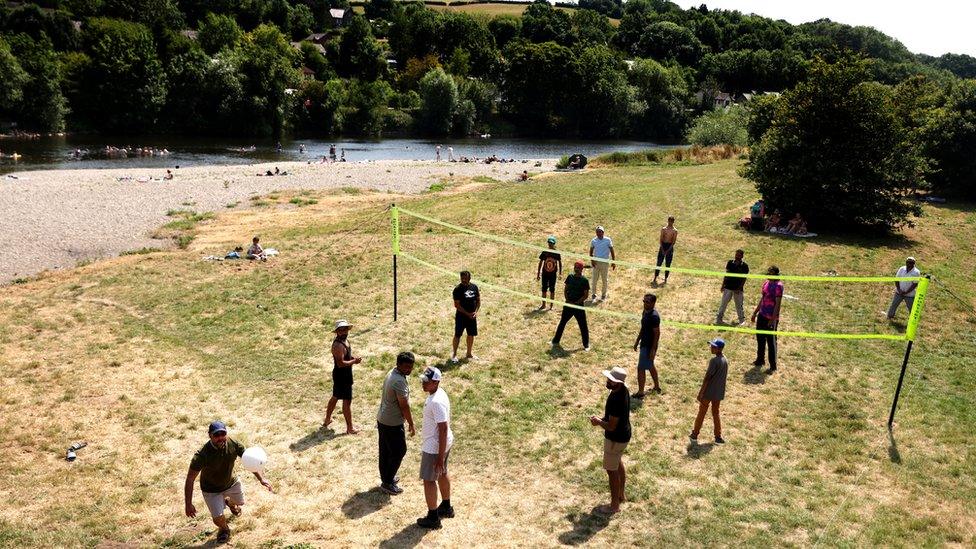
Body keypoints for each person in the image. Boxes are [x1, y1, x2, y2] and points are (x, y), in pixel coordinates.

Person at [184, 421, 274, 544]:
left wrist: (261, 479)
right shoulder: (201, 455)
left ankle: (230, 503)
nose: (220, 437)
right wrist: (188, 504)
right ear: (210, 435)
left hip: (231, 483)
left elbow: (250, 460)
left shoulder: (234, 444)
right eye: (216, 435)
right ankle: (224, 529)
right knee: (217, 518)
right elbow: (190, 479)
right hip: (211, 489)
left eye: (223, 434)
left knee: (240, 502)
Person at [416, 367, 455, 529]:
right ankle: (446, 507)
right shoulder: (439, 393)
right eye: (423, 380)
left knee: (429, 479)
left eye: (427, 381)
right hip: (443, 443)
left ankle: (433, 517)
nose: (423, 384)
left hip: (434, 446)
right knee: (442, 472)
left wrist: (439, 457)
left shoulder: (436, 401)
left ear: (436, 382)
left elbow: (443, 428)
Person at [589, 367, 631, 515]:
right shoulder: (623, 390)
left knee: (611, 470)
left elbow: (612, 426)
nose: (607, 381)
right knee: (617, 462)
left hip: (615, 439)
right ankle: (620, 495)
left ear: (618, 383)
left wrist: (598, 422)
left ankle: (614, 506)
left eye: (611, 380)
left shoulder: (616, 399)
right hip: (624, 435)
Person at [377, 352, 416, 495]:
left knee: (386, 451)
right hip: (392, 423)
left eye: (411, 367)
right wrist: (411, 423)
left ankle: (387, 478)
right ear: (399, 364)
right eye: (406, 367)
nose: (409, 370)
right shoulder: (398, 381)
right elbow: (404, 405)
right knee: (399, 451)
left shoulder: (392, 373)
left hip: (383, 419)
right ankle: (387, 482)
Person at [324, 320, 362, 434]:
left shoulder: (345, 341)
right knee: (346, 400)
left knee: (335, 396)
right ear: (337, 332)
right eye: (341, 330)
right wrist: (354, 361)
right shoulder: (337, 345)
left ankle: (327, 420)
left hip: (344, 375)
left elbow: (347, 356)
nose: (343, 331)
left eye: (345, 329)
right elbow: (340, 363)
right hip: (342, 376)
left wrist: (353, 358)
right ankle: (350, 428)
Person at [690, 339, 728, 444]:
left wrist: (701, 392)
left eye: (714, 347)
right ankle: (718, 436)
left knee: (702, 412)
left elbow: (707, 377)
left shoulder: (714, 361)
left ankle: (694, 434)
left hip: (709, 392)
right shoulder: (725, 360)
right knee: (716, 413)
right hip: (718, 392)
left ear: (719, 349)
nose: (711, 348)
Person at [552, 261, 590, 351]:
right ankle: (555, 341)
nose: (576, 269)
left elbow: (586, 295)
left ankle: (586, 345)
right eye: (575, 267)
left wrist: (577, 303)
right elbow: (566, 289)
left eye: (578, 268)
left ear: (581, 269)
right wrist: (568, 300)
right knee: (562, 323)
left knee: (583, 325)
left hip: (578, 306)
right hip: (568, 305)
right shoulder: (570, 277)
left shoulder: (584, 280)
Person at [751, 266, 783, 373]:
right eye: (768, 272)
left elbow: (777, 304)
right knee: (760, 338)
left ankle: (773, 366)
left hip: (771, 317)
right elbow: (763, 299)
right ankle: (760, 360)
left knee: (771, 341)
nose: (769, 274)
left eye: (771, 273)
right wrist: (755, 312)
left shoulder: (778, 286)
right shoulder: (766, 283)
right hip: (762, 315)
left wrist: (773, 319)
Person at [632, 294, 661, 398]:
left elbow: (657, 334)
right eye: (644, 301)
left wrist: (653, 349)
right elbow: (643, 328)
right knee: (650, 365)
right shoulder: (645, 312)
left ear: (653, 303)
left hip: (649, 346)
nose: (645, 304)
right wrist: (637, 341)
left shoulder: (654, 316)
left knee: (641, 368)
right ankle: (657, 387)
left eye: (647, 302)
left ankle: (640, 392)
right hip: (644, 343)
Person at [451, 271, 480, 364]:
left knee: (471, 335)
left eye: (465, 278)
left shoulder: (474, 287)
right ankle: (454, 355)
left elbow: (478, 301)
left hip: (472, 316)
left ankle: (469, 354)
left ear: (469, 278)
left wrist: (475, 312)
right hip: (461, 316)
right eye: (462, 278)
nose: (464, 279)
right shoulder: (457, 289)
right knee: (457, 335)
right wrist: (468, 314)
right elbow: (457, 305)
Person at [716, 249, 749, 325]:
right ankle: (719, 318)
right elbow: (726, 274)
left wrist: (739, 288)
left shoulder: (744, 266)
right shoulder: (730, 263)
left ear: (742, 256)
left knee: (739, 305)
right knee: (723, 303)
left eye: (739, 255)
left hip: (737, 289)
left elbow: (744, 278)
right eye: (736, 254)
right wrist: (723, 285)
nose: (737, 256)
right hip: (728, 287)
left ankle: (741, 320)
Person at [589, 226, 615, 301]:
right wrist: (592, 260)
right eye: (597, 232)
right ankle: (593, 294)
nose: (599, 233)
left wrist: (613, 262)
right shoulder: (594, 241)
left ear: (603, 232)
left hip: (605, 262)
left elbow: (612, 250)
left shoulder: (608, 240)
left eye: (600, 232)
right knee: (594, 279)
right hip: (596, 262)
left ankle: (603, 294)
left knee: (604, 279)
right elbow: (591, 251)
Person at [536, 236, 562, 310]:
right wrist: (538, 273)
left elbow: (560, 263)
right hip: (545, 274)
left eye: (551, 243)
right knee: (544, 289)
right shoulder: (545, 252)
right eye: (549, 243)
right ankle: (543, 304)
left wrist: (560, 273)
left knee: (552, 289)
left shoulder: (556, 253)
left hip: (553, 274)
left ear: (554, 244)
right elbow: (540, 262)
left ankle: (551, 306)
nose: (550, 245)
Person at [652, 216, 678, 285]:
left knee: (668, 263)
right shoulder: (664, 229)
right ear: (668, 221)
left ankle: (666, 278)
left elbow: (673, 242)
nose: (670, 222)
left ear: (673, 222)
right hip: (663, 245)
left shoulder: (675, 231)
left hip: (669, 246)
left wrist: (668, 250)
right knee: (659, 262)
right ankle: (655, 276)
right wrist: (662, 249)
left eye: (671, 221)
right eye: (669, 221)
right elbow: (661, 239)